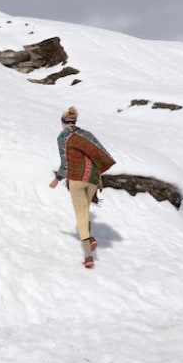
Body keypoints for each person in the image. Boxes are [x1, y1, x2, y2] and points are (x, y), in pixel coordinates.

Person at [49, 106, 116, 269]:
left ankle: (88, 257)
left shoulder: (63, 137)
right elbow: (99, 152)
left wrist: (57, 179)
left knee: (81, 215)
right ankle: (91, 238)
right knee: (85, 210)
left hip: (77, 180)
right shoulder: (87, 134)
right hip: (93, 180)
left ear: (62, 122)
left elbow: (65, 164)